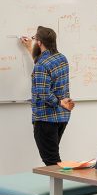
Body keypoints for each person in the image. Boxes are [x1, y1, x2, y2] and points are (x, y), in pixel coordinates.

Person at [20, 26, 75, 166]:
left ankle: (63, 181)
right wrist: (29, 47)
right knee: (52, 158)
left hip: (46, 119)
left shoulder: (41, 65)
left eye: (34, 39)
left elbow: (44, 93)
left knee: (51, 161)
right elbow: (43, 65)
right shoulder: (61, 58)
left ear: (39, 42)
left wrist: (59, 102)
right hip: (62, 117)